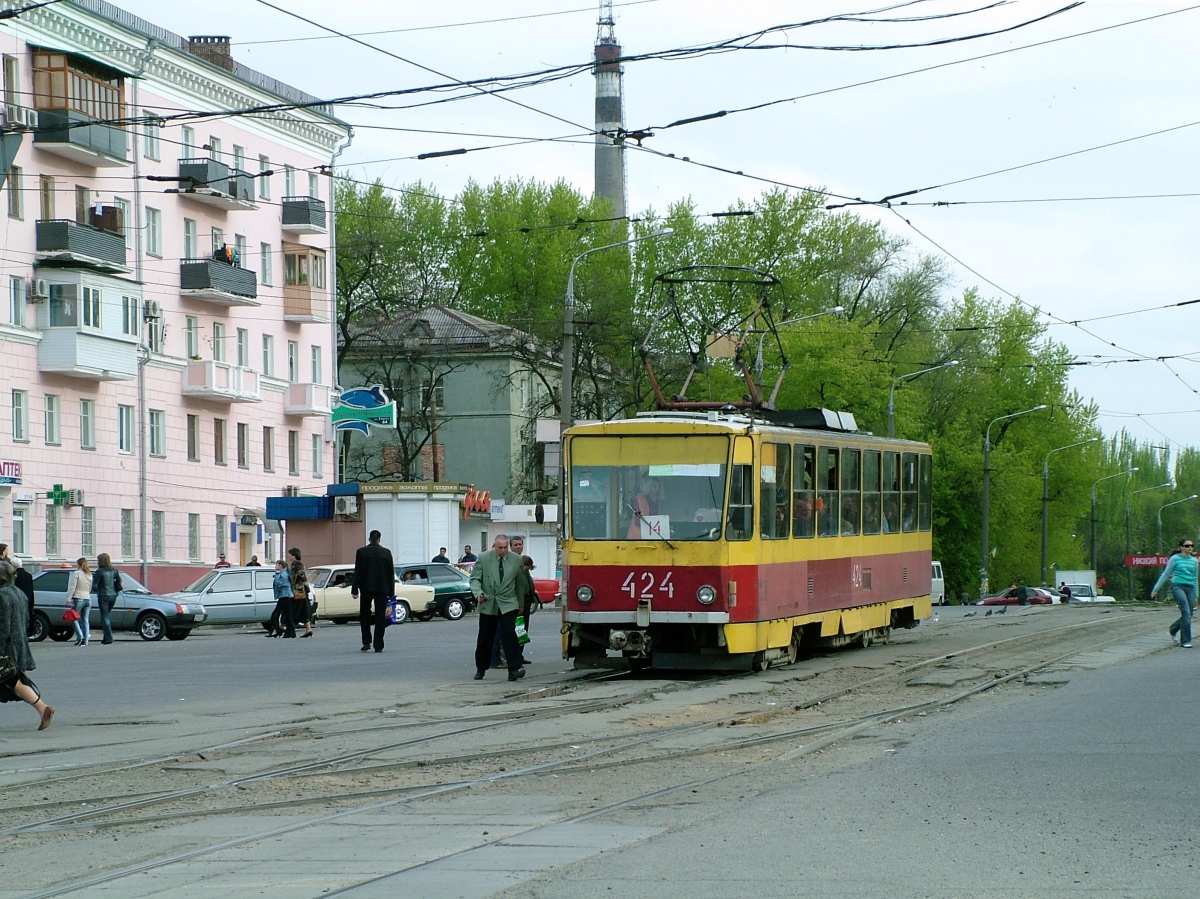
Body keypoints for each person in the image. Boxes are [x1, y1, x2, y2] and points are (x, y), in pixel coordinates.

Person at [0, 560, 53, 730]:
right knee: (14, 682)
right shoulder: (18, 593)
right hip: (18, 643)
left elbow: (3, 626)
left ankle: (43, 708)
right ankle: (42, 708)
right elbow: (26, 619)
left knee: (13, 682)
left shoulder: (2, 595)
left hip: (6, 646)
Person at [470, 534, 528, 682]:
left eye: (505, 547)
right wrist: (478, 593)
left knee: (510, 633)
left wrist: (521, 604)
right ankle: (481, 668)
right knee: (485, 636)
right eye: (500, 548)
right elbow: (475, 579)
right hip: (488, 602)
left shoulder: (516, 559)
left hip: (508, 602)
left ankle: (514, 669)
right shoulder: (483, 558)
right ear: (494, 546)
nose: (503, 550)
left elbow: (520, 584)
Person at [490, 535, 533, 668]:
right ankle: (499, 659)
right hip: (510, 603)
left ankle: (517, 656)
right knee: (505, 631)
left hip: (523, 601)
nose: (518, 547)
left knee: (521, 631)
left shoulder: (522, 560)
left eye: (520, 544)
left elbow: (525, 584)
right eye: (515, 545)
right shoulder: (509, 562)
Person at [352, 531, 394, 653]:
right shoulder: (386, 553)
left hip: (366, 588)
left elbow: (358, 571)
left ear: (369, 539)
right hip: (382, 589)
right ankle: (378, 645)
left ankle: (366, 641)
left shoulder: (361, 552)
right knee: (380, 616)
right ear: (379, 539)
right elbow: (390, 574)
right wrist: (391, 592)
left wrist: (355, 589)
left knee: (364, 614)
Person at [1152, 538, 1198, 648]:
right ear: (1181, 547)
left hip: (1190, 587)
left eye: (1191, 546)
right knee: (1186, 612)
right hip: (1178, 586)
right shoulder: (1175, 559)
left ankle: (1173, 629)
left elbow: (1195, 578)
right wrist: (1155, 589)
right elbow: (1166, 574)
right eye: (1187, 546)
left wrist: (1196, 595)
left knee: (1189, 614)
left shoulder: (1194, 561)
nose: (1190, 548)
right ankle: (1185, 641)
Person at [90, 553, 121, 645]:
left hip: (103, 595)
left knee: (105, 616)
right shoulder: (114, 570)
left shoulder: (99, 572)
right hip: (113, 595)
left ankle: (109, 638)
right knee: (106, 616)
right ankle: (105, 637)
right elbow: (119, 582)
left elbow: (95, 586)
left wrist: (95, 589)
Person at [266, 560, 295, 638]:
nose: (276, 566)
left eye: (277, 565)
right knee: (288, 615)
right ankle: (290, 632)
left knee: (276, 614)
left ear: (280, 566)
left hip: (285, 596)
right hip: (285, 596)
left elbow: (281, 584)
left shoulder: (284, 574)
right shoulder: (283, 574)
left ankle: (278, 630)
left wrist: (276, 577)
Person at [67, 557, 92, 646]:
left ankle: (80, 636)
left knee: (73, 618)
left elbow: (73, 587)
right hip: (87, 598)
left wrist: (69, 599)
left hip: (78, 598)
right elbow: (90, 588)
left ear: (79, 564)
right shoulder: (89, 574)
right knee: (85, 620)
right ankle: (85, 641)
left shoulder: (76, 573)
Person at [288, 548, 312, 638]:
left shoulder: (297, 564)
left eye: (290, 555)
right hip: (301, 590)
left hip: (299, 590)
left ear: (294, 556)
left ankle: (289, 628)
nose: (288, 556)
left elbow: (302, 575)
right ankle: (308, 629)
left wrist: (294, 581)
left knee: (295, 609)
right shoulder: (294, 564)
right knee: (303, 609)